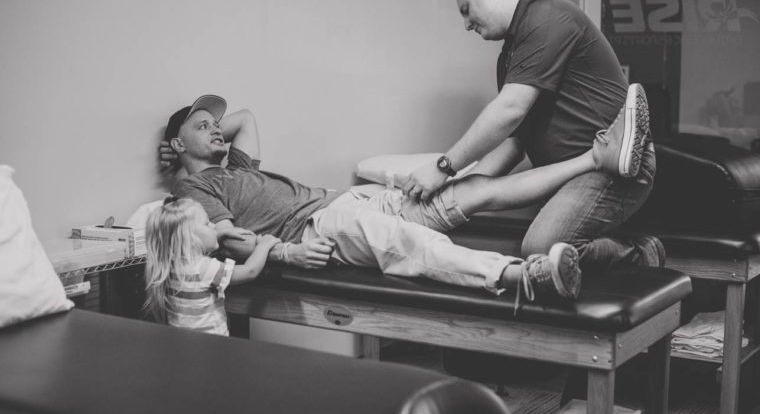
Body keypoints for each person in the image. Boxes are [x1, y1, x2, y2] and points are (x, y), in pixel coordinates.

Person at [157, 90, 646, 306]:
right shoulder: (193, 187)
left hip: (349, 199)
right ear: (178, 145)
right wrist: (288, 252)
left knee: (468, 191)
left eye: (215, 125)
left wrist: (199, 131)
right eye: (203, 127)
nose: (219, 131)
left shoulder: (233, 168)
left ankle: (593, 161)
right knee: (407, 243)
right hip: (319, 230)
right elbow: (229, 242)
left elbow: (245, 117)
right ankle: (522, 277)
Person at [403, 0, 663, 270]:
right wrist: (461, 190)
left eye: (465, 9)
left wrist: (444, 167)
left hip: (615, 166)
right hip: (570, 173)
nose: (466, 24)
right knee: (531, 247)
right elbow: (516, 142)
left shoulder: (549, 17)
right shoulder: (510, 56)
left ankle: (640, 254)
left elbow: (509, 111)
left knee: (540, 249)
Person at [143, 196, 280, 335]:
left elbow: (198, 239)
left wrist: (222, 232)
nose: (214, 226)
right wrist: (264, 245)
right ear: (191, 239)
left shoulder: (168, 265)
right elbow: (249, 271)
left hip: (184, 344)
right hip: (212, 345)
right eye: (207, 223)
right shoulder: (205, 268)